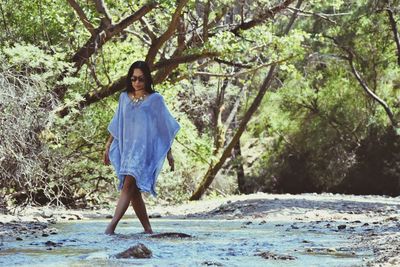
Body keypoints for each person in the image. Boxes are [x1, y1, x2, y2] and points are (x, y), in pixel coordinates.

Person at [103, 60, 180, 235]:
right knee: (133, 191)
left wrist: (169, 154)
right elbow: (117, 124)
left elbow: (164, 128)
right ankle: (148, 229)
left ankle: (110, 228)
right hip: (126, 149)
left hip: (143, 151)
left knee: (128, 185)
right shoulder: (124, 98)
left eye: (141, 79)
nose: (137, 83)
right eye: (133, 79)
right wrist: (108, 145)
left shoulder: (155, 100)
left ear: (147, 80)